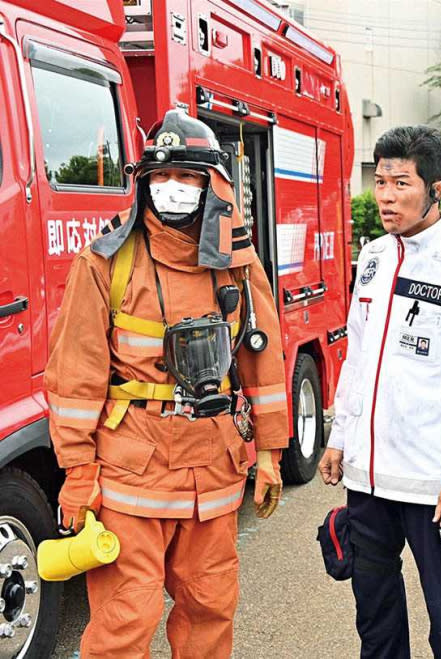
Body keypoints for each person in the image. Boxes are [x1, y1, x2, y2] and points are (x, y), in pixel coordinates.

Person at [44, 110, 288, 657]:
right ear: (144, 183)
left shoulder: (236, 265)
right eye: (161, 176)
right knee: (125, 620)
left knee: (210, 609)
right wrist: (79, 473)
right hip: (133, 469)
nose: (173, 189)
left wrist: (270, 452)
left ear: (212, 186)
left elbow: (262, 362)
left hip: (213, 469)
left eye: (187, 177)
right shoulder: (105, 262)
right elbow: (74, 378)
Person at [318, 126, 441, 658]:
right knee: (375, 620)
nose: (385, 195)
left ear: (437, 189)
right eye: (380, 181)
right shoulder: (375, 257)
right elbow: (358, 357)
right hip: (369, 480)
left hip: (436, 485)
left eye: (401, 182)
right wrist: (341, 437)